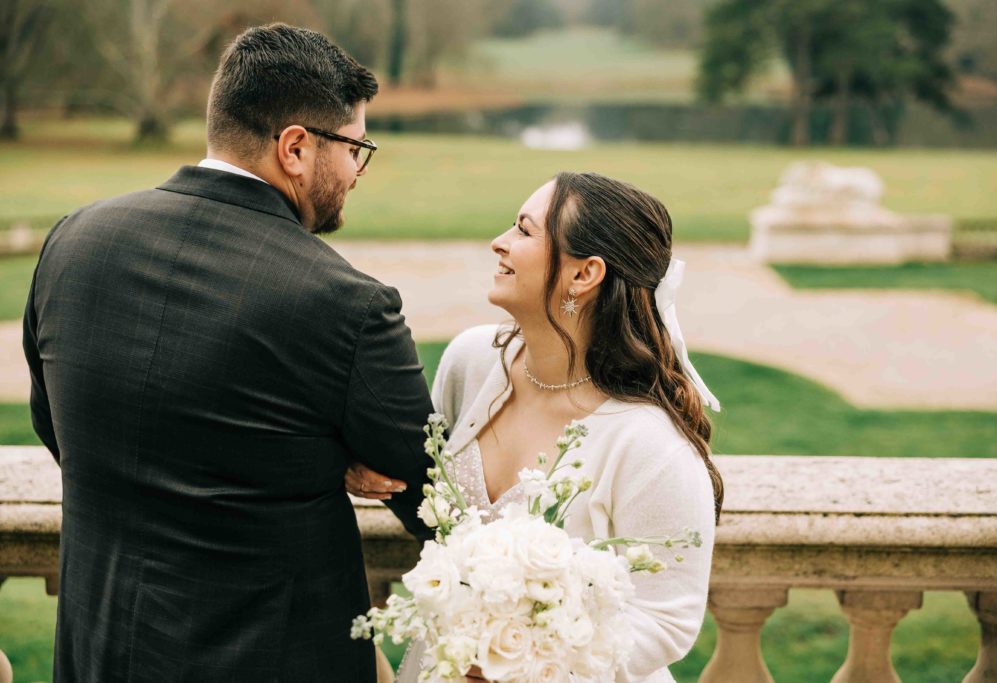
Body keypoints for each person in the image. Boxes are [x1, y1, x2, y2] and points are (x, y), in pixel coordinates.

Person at [22, 24, 429, 683]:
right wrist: (331, 456)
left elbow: (60, 429)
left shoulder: (74, 241)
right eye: (357, 147)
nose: (357, 169)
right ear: (295, 146)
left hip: (99, 653)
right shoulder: (349, 305)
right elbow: (431, 496)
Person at [347, 172, 722, 682]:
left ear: (583, 274)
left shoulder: (651, 446)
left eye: (524, 231)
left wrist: (530, 662)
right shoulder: (471, 362)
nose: (498, 242)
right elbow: (429, 494)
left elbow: (668, 619)